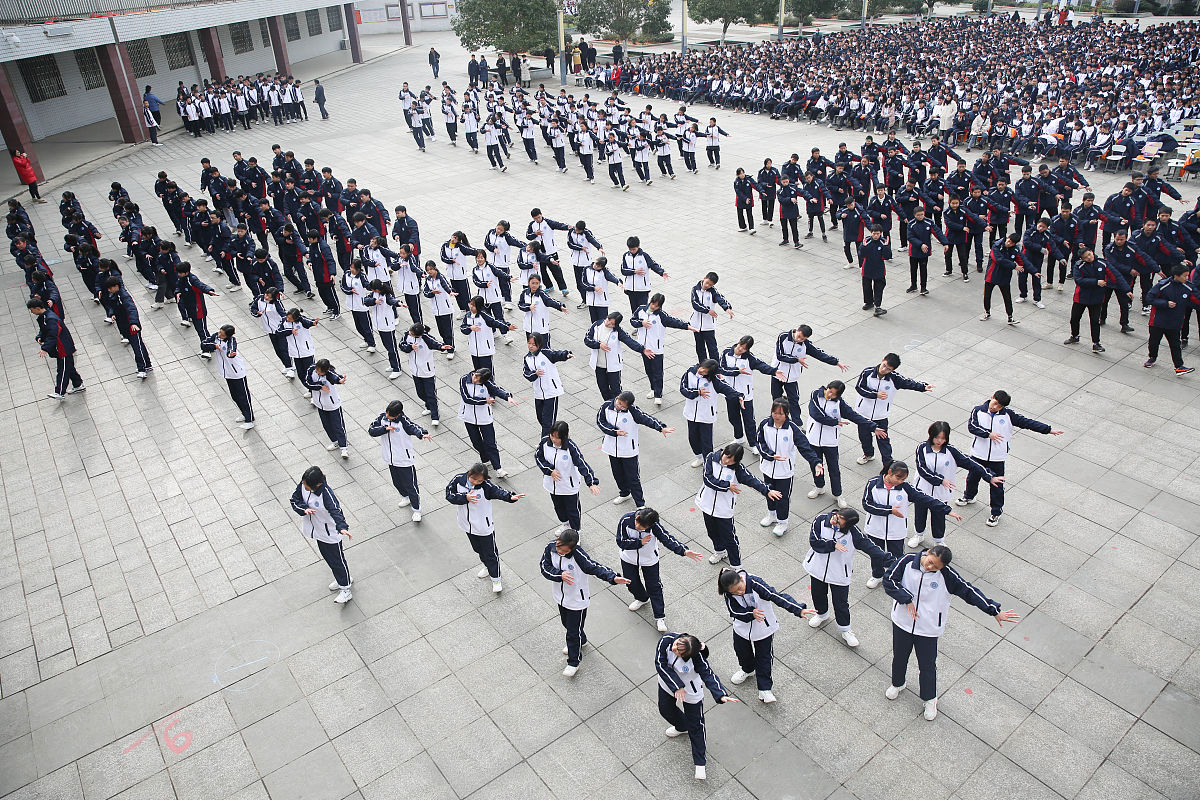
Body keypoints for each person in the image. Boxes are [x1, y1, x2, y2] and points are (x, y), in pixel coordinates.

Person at [884, 544, 1019, 720]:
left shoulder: (947, 576)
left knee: (927, 666)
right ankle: (898, 683)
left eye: (936, 567)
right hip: (902, 622)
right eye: (931, 562)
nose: (930, 567)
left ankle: (930, 699)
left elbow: (969, 592)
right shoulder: (907, 561)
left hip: (928, 629)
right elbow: (889, 580)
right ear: (929, 552)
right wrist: (907, 599)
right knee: (899, 656)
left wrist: (994, 610)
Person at [958, 390, 1062, 525]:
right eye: (995, 403)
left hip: (997, 457)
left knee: (997, 485)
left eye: (999, 406)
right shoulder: (977, 411)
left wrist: (1048, 430)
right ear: (992, 397)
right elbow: (972, 427)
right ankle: (969, 496)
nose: (995, 407)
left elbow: (1027, 423)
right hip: (978, 453)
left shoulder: (1008, 415)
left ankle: (996, 512)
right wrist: (988, 434)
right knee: (972, 477)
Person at [540, 528, 631, 677]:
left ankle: (573, 662)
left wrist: (613, 577)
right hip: (560, 597)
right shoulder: (550, 548)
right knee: (567, 624)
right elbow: (544, 568)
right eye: (559, 547)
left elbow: (594, 567)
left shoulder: (578, 556)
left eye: (563, 550)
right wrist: (559, 575)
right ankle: (581, 640)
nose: (559, 551)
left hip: (577, 601)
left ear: (572, 548)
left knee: (572, 632)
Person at [717, 566, 815, 702]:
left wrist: (797, 609)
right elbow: (734, 611)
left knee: (764, 657)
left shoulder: (755, 583)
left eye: (740, 588)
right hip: (741, 627)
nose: (740, 592)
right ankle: (747, 669)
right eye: (735, 592)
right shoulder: (729, 593)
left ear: (741, 578)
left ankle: (765, 690)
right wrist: (751, 613)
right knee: (741, 651)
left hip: (764, 627)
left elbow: (775, 595)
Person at [861, 460, 960, 589]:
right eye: (899, 477)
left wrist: (947, 510)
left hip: (896, 530)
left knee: (897, 556)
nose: (901, 481)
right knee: (876, 554)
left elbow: (925, 498)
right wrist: (889, 510)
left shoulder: (905, 488)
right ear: (889, 473)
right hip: (875, 528)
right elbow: (867, 505)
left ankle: (895, 576)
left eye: (904, 479)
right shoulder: (873, 484)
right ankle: (877, 575)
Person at [655, 632, 738, 782]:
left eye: (679, 652)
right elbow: (660, 664)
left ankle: (700, 762)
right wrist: (677, 686)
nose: (674, 650)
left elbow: (708, 674)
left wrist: (720, 694)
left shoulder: (697, 656)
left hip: (691, 691)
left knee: (697, 725)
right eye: (675, 646)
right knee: (665, 709)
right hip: (668, 685)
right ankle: (682, 726)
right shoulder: (666, 640)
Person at [803, 508, 892, 647]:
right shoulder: (820, 519)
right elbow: (814, 542)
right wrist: (833, 545)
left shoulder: (853, 534)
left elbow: (871, 548)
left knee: (841, 603)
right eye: (836, 517)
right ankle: (821, 614)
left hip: (839, 573)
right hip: (817, 568)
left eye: (839, 522)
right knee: (818, 594)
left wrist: (891, 561)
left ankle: (846, 629)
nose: (834, 521)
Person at [910, 421, 1003, 548]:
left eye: (943, 438)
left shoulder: (951, 451)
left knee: (939, 516)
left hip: (942, 492)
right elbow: (922, 469)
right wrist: (941, 480)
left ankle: (938, 540)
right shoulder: (922, 447)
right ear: (931, 435)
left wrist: (989, 476)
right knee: (920, 514)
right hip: (922, 489)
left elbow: (971, 463)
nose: (939, 441)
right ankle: (919, 535)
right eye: (937, 437)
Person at [616, 507, 702, 632]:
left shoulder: (654, 526)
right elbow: (620, 541)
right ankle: (642, 598)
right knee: (631, 582)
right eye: (638, 523)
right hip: (628, 558)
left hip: (649, 559)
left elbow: (667, 538)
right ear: (637, 517)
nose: (639, 527)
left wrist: (683, 550)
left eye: (644, 527)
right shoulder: (626, 520)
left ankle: (659, 616)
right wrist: (639, 543)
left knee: (654, 586)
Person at [698, 443, 781, 568]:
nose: (727, 461)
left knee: (730, 539)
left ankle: (737, 566)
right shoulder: (711, 458)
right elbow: (707, 479)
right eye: (727, 457)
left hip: (724, 510)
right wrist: (727, 485)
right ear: (724, 451)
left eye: (732, 460)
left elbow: (752, 480)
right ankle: (720, 551)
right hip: (707, 504)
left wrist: (767, 490)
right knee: (712, 532)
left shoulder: (737, 469)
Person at [446, 463, 525, 594]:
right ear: (469, 473)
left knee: (490, 553)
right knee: (477, 549)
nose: (476, 482)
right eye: (474, 479)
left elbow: (498, 491)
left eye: (479, 480)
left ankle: (496, 579)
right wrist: (464, 498)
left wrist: (510, 497)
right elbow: (449, 495)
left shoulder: (486, 487)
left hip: (483, 526)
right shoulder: (458, 480)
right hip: (466, 524)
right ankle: (487, 567)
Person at [806, 380, 884, 508]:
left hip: (830, 441)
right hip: (813, 438)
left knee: (834, 468)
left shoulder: (839, 403)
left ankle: (838, 494)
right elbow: (815, 414)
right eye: (830, 391)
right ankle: (819, 486)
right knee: (815, 465)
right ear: (828, 387)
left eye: (834, 394)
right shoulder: (816, 395)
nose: (830, 395)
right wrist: (834, 422)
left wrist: (873, 427)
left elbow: (853, 416)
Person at [853, 352, 933, 468]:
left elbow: (909, 382)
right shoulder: (867, 372)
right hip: (863, 413)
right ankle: (868, 454)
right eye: (884, 365)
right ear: (882, 360)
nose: (884, 369)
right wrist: (875, 394)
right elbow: (859, 388)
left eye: (888, 369)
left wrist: (923, 387)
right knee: (864, 436)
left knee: (883, 440)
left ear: (892, 370)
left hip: (881, 415)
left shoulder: (894, 378)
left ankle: (888, 464)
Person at [756, 398, 822, 537]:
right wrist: (770, 456)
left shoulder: (792, 429)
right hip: (767, 467)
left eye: (780, 413)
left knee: (783, 498)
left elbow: (805, 447)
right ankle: (771, 515)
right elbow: (759, 442)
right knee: (768, 492)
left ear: (786, 414)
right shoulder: (764, 424)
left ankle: (782, 522)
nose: (777, 416)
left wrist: (816, 462)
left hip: (784, 471)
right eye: (774, 412)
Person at [598, 390, 674, 508]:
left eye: (623, 406)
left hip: (628, 450)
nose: (619, 407)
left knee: (633, 477)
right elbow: (600, 421)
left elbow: (647, 419)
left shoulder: (633, 411)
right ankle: (624, 493)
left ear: (628, 406)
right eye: (618, 403)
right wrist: (614, 431)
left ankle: (640, 504)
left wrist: (661, 427)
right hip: (611, 448)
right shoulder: (606, 406)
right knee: (617, 473)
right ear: (617, 397)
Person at [290, 466, 354, 604]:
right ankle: (343, 578)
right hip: (318, 530)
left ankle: (345, 589)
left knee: (337, 560)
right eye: (304, 483)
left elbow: (336, 511)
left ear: (317, 484)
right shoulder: (303, 485)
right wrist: (304, 509)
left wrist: (342, 527)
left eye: (307, 485)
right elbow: (294, 500)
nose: (304, 486)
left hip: (330, 533)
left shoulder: (326, 494)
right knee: (329, 558)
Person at [369, 399, 433, 521]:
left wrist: (422, 434)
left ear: (398, 414)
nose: (387, 416)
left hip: (404, 460)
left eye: (390, 415)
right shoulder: (382, 418)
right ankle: (405, 497)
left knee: (411, 486)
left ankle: (417, 509)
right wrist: (384, 429)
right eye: (387, 413)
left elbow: (414, 427)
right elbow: (371, 430)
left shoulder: (403, 422)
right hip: (390, 459)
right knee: (396, 482)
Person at [771, 325, 849, 422]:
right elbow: (780, 355)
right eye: (798, 336)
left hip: (792, 377)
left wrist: (836, 362)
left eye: (802, 339)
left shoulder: (805, 344)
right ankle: (777, 418)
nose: (799, 340)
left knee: (794, 400)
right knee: (776, 397)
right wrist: (796, 359)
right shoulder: (783, 337)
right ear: (797, 330)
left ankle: (797, 423)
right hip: (777, 373)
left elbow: (819, 354)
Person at [536, 420, 600, 533]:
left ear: (564, 436)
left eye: (557, 437)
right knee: (558, 507)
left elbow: (582, 464)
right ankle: (565, 524)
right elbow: (538, 458)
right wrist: (550, 470)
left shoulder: (571, 447)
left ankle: (576, 532)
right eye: (552, 436)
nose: (554, 439)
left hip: (568, 486)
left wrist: (591, 482)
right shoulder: (544, 443)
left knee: (573, 510)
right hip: (552, 484)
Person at [1065, 248, 1131, 353]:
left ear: (1092, 252)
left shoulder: (1102, 263)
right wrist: (1096, 282)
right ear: (1082, 259)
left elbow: (1116, 276)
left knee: (1095, 321)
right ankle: (1075, 336)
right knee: (1075, 318)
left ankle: (1096, 343)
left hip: (1097, 298)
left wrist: (1127, 290)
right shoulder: (1078, 266)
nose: (1089, 258)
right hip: (1081, 297)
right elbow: (1079, 280)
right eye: (1086, 257)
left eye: (1089, 255)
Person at [681, 358, 744, 468]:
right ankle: (700, 457)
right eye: (702, 368)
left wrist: (739, 395)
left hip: (706, 416)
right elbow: (683, 388)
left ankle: (708, 462)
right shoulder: (690, 372)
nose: (701, 371)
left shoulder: (714, 381)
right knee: (692, 438)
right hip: (691, 413)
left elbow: (727, 388)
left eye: (705, 371)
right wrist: (697, 393)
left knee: (706, 442)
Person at [458, 367, 519, 476]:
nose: (475, 380)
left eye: (479, 380)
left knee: (490, 443)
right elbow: (466, 398)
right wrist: (484, 401)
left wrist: (507, 397)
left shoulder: (487, 383)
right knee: (476, 442)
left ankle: (498, 468)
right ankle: (486, 458)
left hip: (484, 417)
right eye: (475, 376)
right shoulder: (464, 379)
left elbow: (497, 389)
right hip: (468, 416)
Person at [1145, 264, 1200, 375]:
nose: (1187, 278)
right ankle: (1152, 357)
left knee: (1175, 345)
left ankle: (1179, 366)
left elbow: (1197, 298)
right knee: (1154, 341)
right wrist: (1165, 303)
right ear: (1176, 276)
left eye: (1188, 275)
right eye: (1185, 276)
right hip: (1158, 320)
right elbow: (1150, 298)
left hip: (1175, 321)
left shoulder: (1189, 287)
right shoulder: (1163, 285)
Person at [27, 298, 83, 399]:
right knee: (68, 367)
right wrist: (40, 337)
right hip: (61, 347)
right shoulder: (45, 317)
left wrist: (45, 348)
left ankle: (60, 392)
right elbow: (44, 331)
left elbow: (53, 334)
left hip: (63, 348)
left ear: (38, 308)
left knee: (63, 369)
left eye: (32, 310)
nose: (32, 312)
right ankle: (78, 384)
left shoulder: (50, 319)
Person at [200, 324, 253, 429]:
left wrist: (230, 354)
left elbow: (231, 349)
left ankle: (249, 419)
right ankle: (244, 413)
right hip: (227, 373)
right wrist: (214, 346)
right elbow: (203, 344)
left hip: (236, 373)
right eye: (220, 332)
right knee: (234, 396)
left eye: (222, 335)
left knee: (243, 396)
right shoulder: (215, 337)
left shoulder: (231, 341)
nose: (219, 335)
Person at [584, 310, 645, 400]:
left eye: (612, 324)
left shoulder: (617, 331)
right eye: (608, 320)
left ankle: (619, 406)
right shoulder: (596, 325)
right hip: (599, 365)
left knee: (616, 389)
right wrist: (599, 345)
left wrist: (642, 349)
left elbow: (629, 341)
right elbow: (587, 339)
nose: (608, 324)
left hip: (613, 366)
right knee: (603, 388)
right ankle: (609, 405)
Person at [399, 323, 452, 426]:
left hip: (426, 370)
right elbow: (402, 345)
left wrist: (442, 346)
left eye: (412, 333)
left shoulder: (425, 338)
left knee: (430, 394)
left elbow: (435, 343)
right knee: (420, 393)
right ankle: (428, 406)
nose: (410, 333)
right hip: (415, 370)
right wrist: (410, 347)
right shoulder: (407, 335)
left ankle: (435, 415)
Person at [101, 276, 152, 379]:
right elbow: (114, 307)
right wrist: (112, 314)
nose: (109, 290)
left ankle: (142, 368)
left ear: (116, 286)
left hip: (131, 326)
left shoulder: (124, 296)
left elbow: (132, 309)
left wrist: (133, 323)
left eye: (110, 288)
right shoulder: (115, 295)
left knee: (137, 347)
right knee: (139, 345)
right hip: (125, 325)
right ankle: (147, 364)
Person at [523, 332, 572, 436]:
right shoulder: (527, 358)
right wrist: (534, 374)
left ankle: (545, 443)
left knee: (547, 421)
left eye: (533, 344)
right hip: (538, 393)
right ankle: (553, 435)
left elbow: (556, 355)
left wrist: (566, 354)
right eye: (529, 343)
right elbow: (526, 374)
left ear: (539, 345)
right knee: (540, 417)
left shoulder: (545, 353)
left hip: (551, 392)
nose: (531, 346)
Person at [304, 359, 350, 459]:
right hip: (320, 404)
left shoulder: (329, 373)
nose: (317, 372)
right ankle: (335, 442)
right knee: (326, 424)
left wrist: (340, 380)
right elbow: (307, 382)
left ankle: (344, 447)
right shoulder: (311, 369)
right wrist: (320, 387)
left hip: (332, 404)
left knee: (338, 426)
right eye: (317, 370)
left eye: (320, 371)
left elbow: (335, 377)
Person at [689, 271, 733, 362]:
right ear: (704, 278)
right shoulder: (695, 289)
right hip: (696, 324)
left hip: (708, 325)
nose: (707, 286)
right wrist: (708, 310)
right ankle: (703, 365)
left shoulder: (713, 292)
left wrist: (727, 308)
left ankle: (716, 366)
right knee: (700, 347)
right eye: (707, 283)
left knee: (712, 348)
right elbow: (695, 304)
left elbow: (720, 299)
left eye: (710, 285)